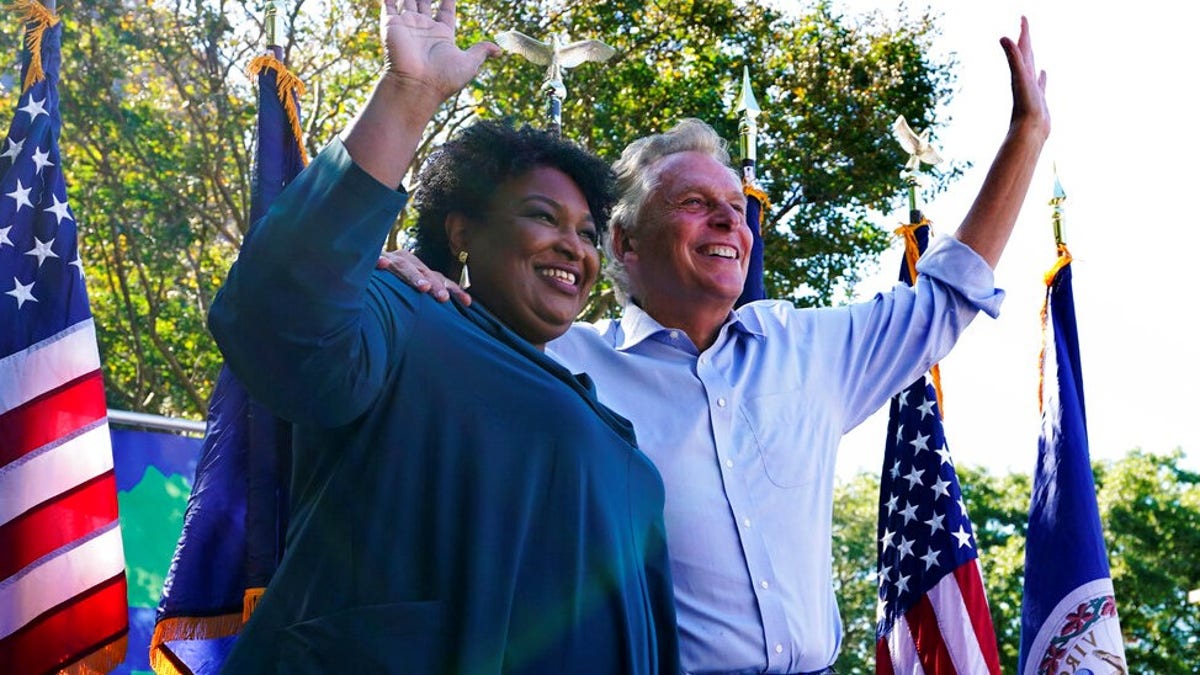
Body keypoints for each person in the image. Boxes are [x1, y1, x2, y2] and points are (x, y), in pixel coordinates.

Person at [382, 15, 1050, 674]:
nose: (731, 217)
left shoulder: (812, 347)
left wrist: (1026, 135)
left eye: (734, 204)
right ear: (624, 242)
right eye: (695, 203)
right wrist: (410, 269)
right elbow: (437, 343)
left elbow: (947, 293)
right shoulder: (557, 362)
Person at [207, 1, 680, 672]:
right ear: (461, 232)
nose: (572, 247)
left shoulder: (611, 430)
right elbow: (278, 318)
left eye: (586, 232)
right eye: (543, 217)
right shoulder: (405, 309)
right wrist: (409, 95)